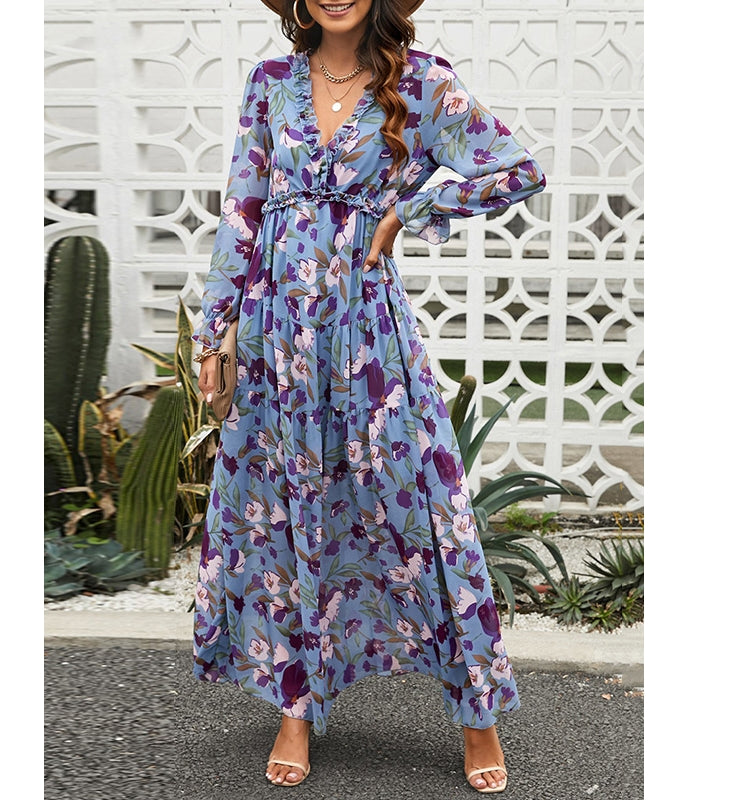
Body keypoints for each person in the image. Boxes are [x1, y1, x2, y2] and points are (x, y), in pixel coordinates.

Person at [191, 0, 546, 793]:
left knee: (426, 509)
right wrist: (214, 333)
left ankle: (478, 713)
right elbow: (242, 211)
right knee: (280, 511)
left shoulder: (421, 83)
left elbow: (518, 170)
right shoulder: (271, 81)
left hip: (367, 332)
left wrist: (410, 211)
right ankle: (294, 704)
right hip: (275, 332)